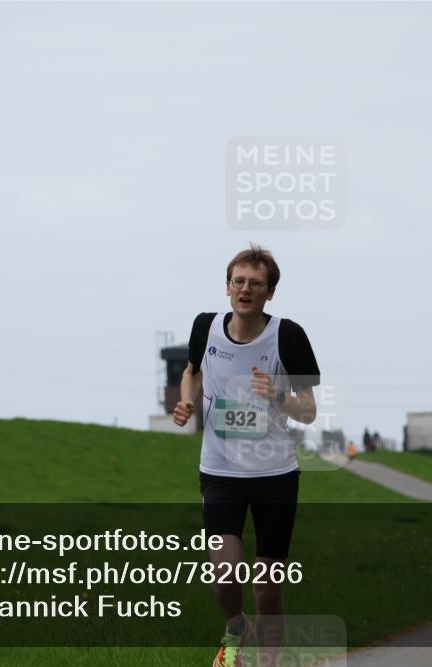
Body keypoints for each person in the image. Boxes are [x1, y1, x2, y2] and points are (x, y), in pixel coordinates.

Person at [172, 244, 320, 667]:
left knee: (267, 587)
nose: (246, 289)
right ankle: (236, 626)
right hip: (220, 472)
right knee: (223, 576)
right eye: (239, 281)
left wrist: (276, 395)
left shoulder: (288, 336)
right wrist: (187, 403)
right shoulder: (206, 327)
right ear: (227, 287)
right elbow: (192, 372)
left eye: (256, 284)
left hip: (275, 474)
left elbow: (308, 411)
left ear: (270, 292)